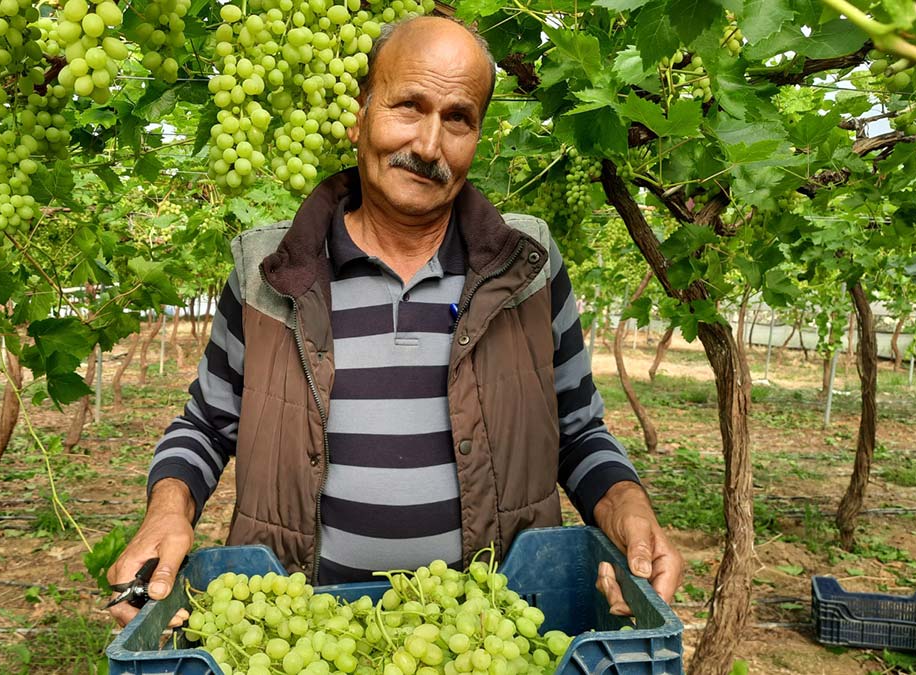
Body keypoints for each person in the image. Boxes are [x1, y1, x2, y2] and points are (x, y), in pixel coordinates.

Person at [108, 15, 682, 627]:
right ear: (361, 112)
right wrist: (168, 510)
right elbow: (207, 424)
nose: (430, 146)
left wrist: (626, 507)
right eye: (408, 106)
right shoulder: (267, 274)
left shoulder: (528, 267)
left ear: (479, 134)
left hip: (492, 635)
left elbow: (578, 430)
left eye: (457, 118)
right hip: (300, 636)